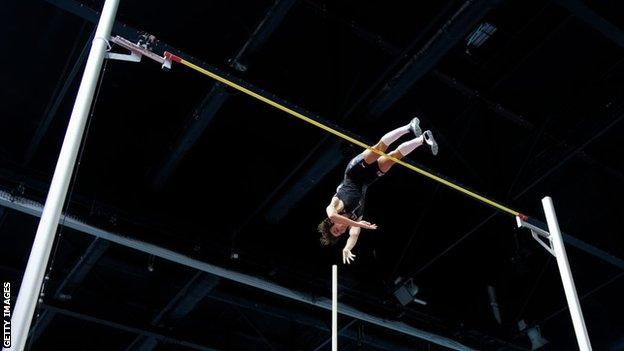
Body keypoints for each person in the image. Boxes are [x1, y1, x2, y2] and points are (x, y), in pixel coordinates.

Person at [318, 118, 438, 264]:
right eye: (340, 234)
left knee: (379, 149)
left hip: (354, 172)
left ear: (331, 223)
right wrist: (347, 248)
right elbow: (354, 235)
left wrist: (358, 225)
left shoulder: (335, 206)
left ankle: (409, 127)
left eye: (336, 230)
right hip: (368, 179)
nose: (341, 231)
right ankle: (421, 139)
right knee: (394, 157)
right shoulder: (355, 217)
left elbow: (333, 215)